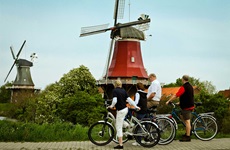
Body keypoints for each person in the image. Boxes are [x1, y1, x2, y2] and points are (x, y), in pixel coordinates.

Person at [108, 79, 140, 149]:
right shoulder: (123, 90)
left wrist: (111, 106)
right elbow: (129, 100)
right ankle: (129, 126)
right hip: (125, 109)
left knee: (118, 127)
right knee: (119, 121)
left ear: (115, 84)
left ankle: (120, 144)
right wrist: (136, 106)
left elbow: (115, 100)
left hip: (121, 110)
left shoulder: (115, 90)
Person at [166, 75, 194, 142]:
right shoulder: (190, 86)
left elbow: (176, 95)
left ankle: (187, 136)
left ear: (183, 79)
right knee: (181, 116)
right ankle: (189, 129)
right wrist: (180, 103)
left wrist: (169, 101)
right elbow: (187, 96)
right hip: (188, 105)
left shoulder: (184, 87)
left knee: (187, 121)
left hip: (187, 106)